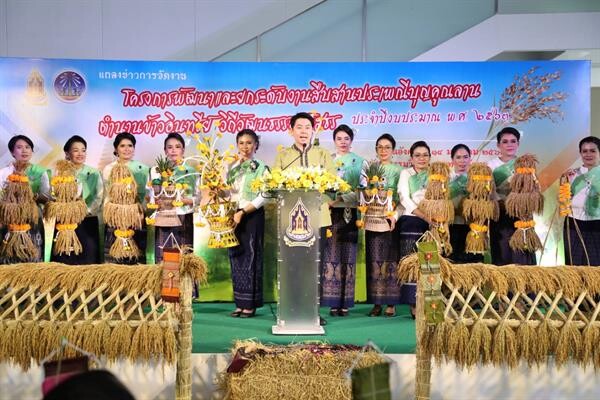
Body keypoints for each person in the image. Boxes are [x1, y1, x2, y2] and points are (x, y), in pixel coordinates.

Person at [272, 112, 335, 325]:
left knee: (314, 266)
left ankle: (313, 311)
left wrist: (319, 194)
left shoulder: (323, 154)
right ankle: (291, 307)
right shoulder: (283, 156)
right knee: (292, 267)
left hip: (318, 219)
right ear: (291, 131)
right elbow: (275, 185)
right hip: (290, 222)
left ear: (313, 130)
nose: (303, 131)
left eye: (307, 127)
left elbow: (332, 185)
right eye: (299, 127)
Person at [321, 124, 365, 317]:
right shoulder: (327, 161)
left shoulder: (360, 162)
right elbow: (320, 186)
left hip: (349, 212)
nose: (343, 142)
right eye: (339, 139)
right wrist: (328, 202)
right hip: (330, 213)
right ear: (334, 141)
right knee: (331, 255)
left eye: (346, 138)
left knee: (348, 256)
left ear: (351, 141)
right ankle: (332, 301)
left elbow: (362, 190)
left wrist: (340, 198)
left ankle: (345, 302)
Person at [226, 129, 269, 318]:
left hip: (252, 215)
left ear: (256, 145)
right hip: (233, 215)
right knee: (236, 256)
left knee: (251, 258)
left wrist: (244, 211)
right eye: (242, 143)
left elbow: (266, 194)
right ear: (237, 145)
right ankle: (239, 303)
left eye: (249, 143)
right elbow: (229, 192)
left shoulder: (262, 167)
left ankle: (250, 304)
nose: (245, 147)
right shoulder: (232, 167)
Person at [364, 133, 403, 318]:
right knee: (374, 260)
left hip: (390, 220)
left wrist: (393, 214)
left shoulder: (398, 171)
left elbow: (401, 197)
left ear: (393, 150)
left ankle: (391, 303)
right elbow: (362, 192)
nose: (383, 150)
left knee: (390, 261)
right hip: (372, 218)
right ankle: (376, 302)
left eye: (387, 147)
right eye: (379, 147)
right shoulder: (370, 169)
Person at [51, 135, 103, 264]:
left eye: (83, 150)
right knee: (65, 257)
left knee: (88, 256)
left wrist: (85, 211)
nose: (80, 153)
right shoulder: (59, 173)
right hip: (65, 221)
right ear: (67, 153)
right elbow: (52, 195)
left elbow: (99, 196)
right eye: (75, 150)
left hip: (87, 220)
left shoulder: (94, 172)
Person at [394, 140, 432, 318]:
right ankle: (413, 304)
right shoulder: (406, 173)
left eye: (425, 155)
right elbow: (404, 198)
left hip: (433, 223)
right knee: (412, 264)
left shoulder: (436, 175)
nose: (421, 158)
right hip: (411, 220)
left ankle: (431, 305)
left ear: (430, 157)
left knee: (430, 265)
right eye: (417, 155)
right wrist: (423, 215)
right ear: (411, 158)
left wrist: (435, 217)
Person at [488, 127, 536, 265]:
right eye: (505, 142)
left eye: (513, 141)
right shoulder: (490, 166)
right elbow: (489, 192)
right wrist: (502, 204)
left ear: (518, 144)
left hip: (523, 216)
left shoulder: (525, 163)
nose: (509, 145)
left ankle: (525, 286)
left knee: (523, 255)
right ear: (498, 145)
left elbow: (534, 187)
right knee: (503, 254)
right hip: (500, 215)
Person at [0, 135, 50, 263]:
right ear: (12, 152)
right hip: (9, 221)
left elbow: (47, 196)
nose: (24, 150)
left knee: (32, 257)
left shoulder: (40, 172)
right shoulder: (4, 173)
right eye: (19, 147)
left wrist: (35, 197)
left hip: (32, 220)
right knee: (9, 258)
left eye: (28, 147)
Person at [102, 132, 150, 264]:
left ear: (134, 148)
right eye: (122, 146)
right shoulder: (109, 169)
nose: (127, 149)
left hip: (136, 219)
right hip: (115, 218)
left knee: (135, 258)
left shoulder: (143, 169)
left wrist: (141, 212)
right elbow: (107, 194)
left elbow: (146, 195)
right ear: (116, 149)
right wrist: (110, 214)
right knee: (114, 258)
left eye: (130, 145)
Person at [150, 133, 197, 263]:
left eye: (177, 147)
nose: (173, 150)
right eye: (169, 147)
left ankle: (185, 284)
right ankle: (163, 284)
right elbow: (151, 196)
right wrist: (156, 201)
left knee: (184, 259)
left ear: (183, 150)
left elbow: (198, 198)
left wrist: (185, 201)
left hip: (184, 218)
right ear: (165, 150)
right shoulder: (156, 171)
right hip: (163, 219)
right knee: (163, 258)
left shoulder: (191, 171)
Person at [562, 136, 600, 266]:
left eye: (592, 150)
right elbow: (563, 199)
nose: (588, 154)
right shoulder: (572, 174)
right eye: (584, 151)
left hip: (597, 224)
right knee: (574, 262)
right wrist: (564, 181)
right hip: (573, 223)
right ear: (580, 153)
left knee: (595, 263)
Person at [448, 143, 482, 263]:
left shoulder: (477, 178)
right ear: (452, 160)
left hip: (472, 228)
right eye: (458, 157)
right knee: (452, 262)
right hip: (450, 226)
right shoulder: (446, 178)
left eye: (465, 157)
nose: (462, 161)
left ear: (470, 159)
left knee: (472, 263)